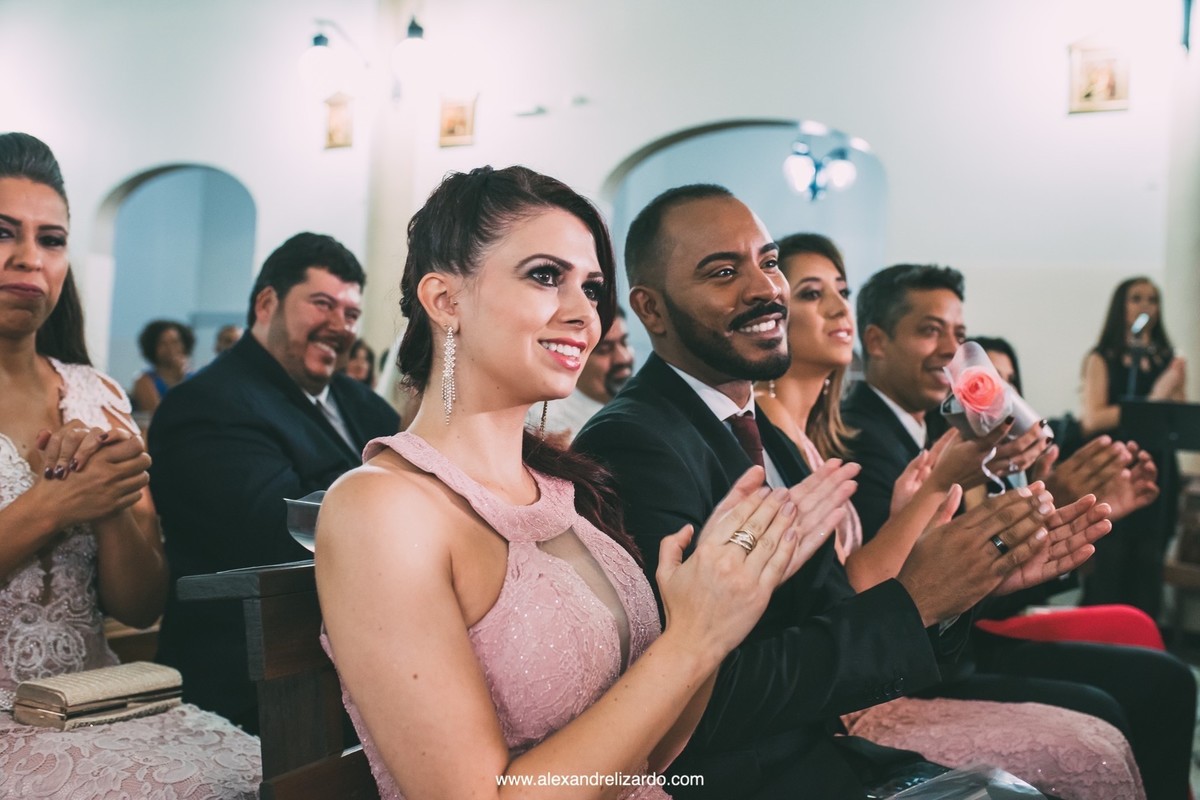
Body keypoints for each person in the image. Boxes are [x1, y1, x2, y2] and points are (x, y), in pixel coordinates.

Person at [314, 166, 838, 799]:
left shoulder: (563, 491)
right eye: (545, 276)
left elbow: (655, 755)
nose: (584, 314)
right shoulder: (382, 507)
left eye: (591, 288)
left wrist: (715, 616)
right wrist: (692, 639)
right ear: (445, 300)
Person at [574, 185, 1106, 799]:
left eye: (769, 262)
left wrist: (963, 585)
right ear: (652, 309)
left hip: (817, 752)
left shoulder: (758, 431)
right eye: (723, 272)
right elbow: (700, 701)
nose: (765, 288)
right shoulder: (635, 441)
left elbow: (826, 608)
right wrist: (914, 600)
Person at [756, 233, 1143, 799]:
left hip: (902, 656)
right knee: (1097, 735)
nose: (840, 307)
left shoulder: (815, 435)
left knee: (1120, 700)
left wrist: (999, 502)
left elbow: (883, 576)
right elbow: (844, 598)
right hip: (862, 690)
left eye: (842, 290)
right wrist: (952, 496)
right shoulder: (816, 436)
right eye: (813, 293)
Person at [842, 263, 1196, 800]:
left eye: (959, 334)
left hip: (955, 645)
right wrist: (1046, 504)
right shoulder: (865, 437)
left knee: (1164, 678)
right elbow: (914, 586)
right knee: (1126, 699)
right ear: (877, 340)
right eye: (930, 330)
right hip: (923, 668)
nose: (951, 350)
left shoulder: (933, 426)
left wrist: (1059, 505)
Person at [0, 131, 259, 798]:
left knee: (260, 775)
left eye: (52, 239)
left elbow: (140, 607)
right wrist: (55, 504)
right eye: (3, 232)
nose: (29, 257)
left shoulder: (100, 395)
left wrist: (110, 502)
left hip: (95, 698)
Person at [149, 231, 400, 731]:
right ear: (267, 303)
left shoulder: (363, 404)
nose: (340, 326)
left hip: (362, 669)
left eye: (351, 313)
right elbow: (279, 530)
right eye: (323, 304)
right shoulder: (208, 404)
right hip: (253, 691)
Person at [1080, 277, 1187, 617]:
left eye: (1152, 299)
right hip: (1116, 472)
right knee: (1110, 564)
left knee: (1148, 566)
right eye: (1136, 298)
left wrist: (1173, 387)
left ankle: (1144, 637)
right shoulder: (1102, 357)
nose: (1145, 306)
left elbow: (1177, 419)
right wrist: (1154, 397)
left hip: (1159, 472)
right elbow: (1093, 418)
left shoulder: (1167, 359)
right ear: (1120, 307)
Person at [534, 304, 635, 441]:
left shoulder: (643, 407)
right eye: (604, 349)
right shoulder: (549, 430)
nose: (623, 358)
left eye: (625, 342)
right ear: (572, 354)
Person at [131, 318, 195, 416]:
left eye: (175, 342)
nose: (170, 348)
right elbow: (159, 416)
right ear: (153, 347)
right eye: (163, 343)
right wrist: (178, 381)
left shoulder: (195, 378)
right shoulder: (144, 381)